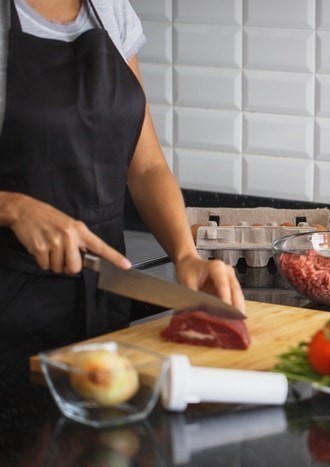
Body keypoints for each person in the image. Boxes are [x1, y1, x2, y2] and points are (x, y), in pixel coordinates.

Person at [0, 0, 245, 356]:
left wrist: (186, 257)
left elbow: (147, 168)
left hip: (105, 296)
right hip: (10, 303)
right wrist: (13, 208)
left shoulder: (110, 8)